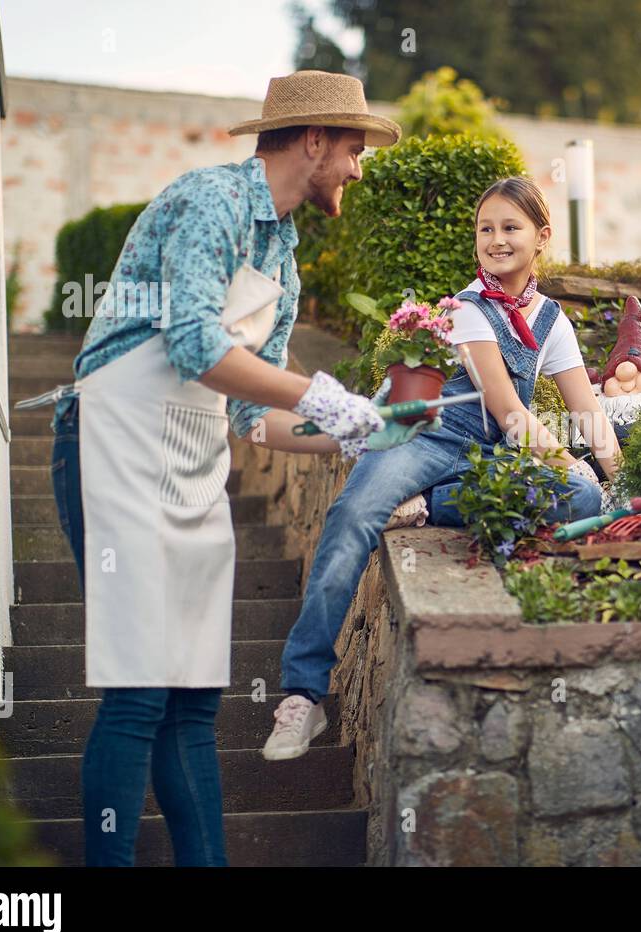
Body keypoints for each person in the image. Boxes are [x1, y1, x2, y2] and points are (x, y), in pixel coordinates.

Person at [44, 71, 430, 866]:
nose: (359, 169)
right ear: (314, 141)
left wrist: (367, 432)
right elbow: (192, 344)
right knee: (137, 694)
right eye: (354, 149)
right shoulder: (208, 201)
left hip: (193, 458)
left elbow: (258, 418)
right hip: (113, 438)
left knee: (191, 705)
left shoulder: (282, 258)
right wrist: (329, 398)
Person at [262, 176, 622, 760]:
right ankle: (304, 696)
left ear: (541, 238)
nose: (496, 240)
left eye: (511, 228)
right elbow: (508, 410)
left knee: (581, 503)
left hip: (490, 457)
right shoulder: (468, 310)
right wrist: (568, 462)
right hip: (427, 439)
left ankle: (429, 506)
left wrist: (618, 478)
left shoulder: (553, 320)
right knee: (354, 512)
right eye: (486, 229)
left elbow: (588, 413)